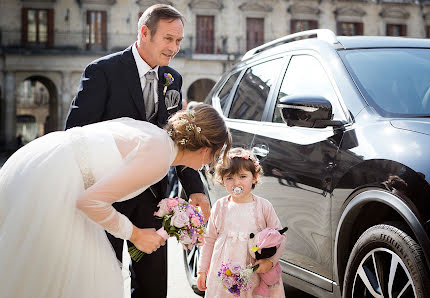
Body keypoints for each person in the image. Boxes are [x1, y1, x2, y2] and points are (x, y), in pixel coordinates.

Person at [0, 104, 231, 298]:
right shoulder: (159, 158)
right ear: (204, 149)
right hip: (56, 186)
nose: (212, 162)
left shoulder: (155, 135)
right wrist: (137, 235)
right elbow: (90, 202)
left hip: (43, 162)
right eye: (216, 154)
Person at [64, 4, 210, 297]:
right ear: (145, 32)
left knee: (153, 285)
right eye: (168, 39)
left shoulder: (173, 80)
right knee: (102, 280)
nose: (174, 48)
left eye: (179, 41)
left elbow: (175, 142)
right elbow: (75, 135)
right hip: (107, 200)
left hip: (152, 201)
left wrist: (195, 189)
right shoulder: (103, 72)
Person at [197, 148, 286, 297]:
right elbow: (210, 239)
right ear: (222, 180)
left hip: (253, 271)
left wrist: (270, 262)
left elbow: (280, 237)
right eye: (229, 178)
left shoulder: (263, 206)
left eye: (243, 176)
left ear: (254, 177)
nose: (236, 182)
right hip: (224, 272)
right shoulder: (220, 206)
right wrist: (202, 270)